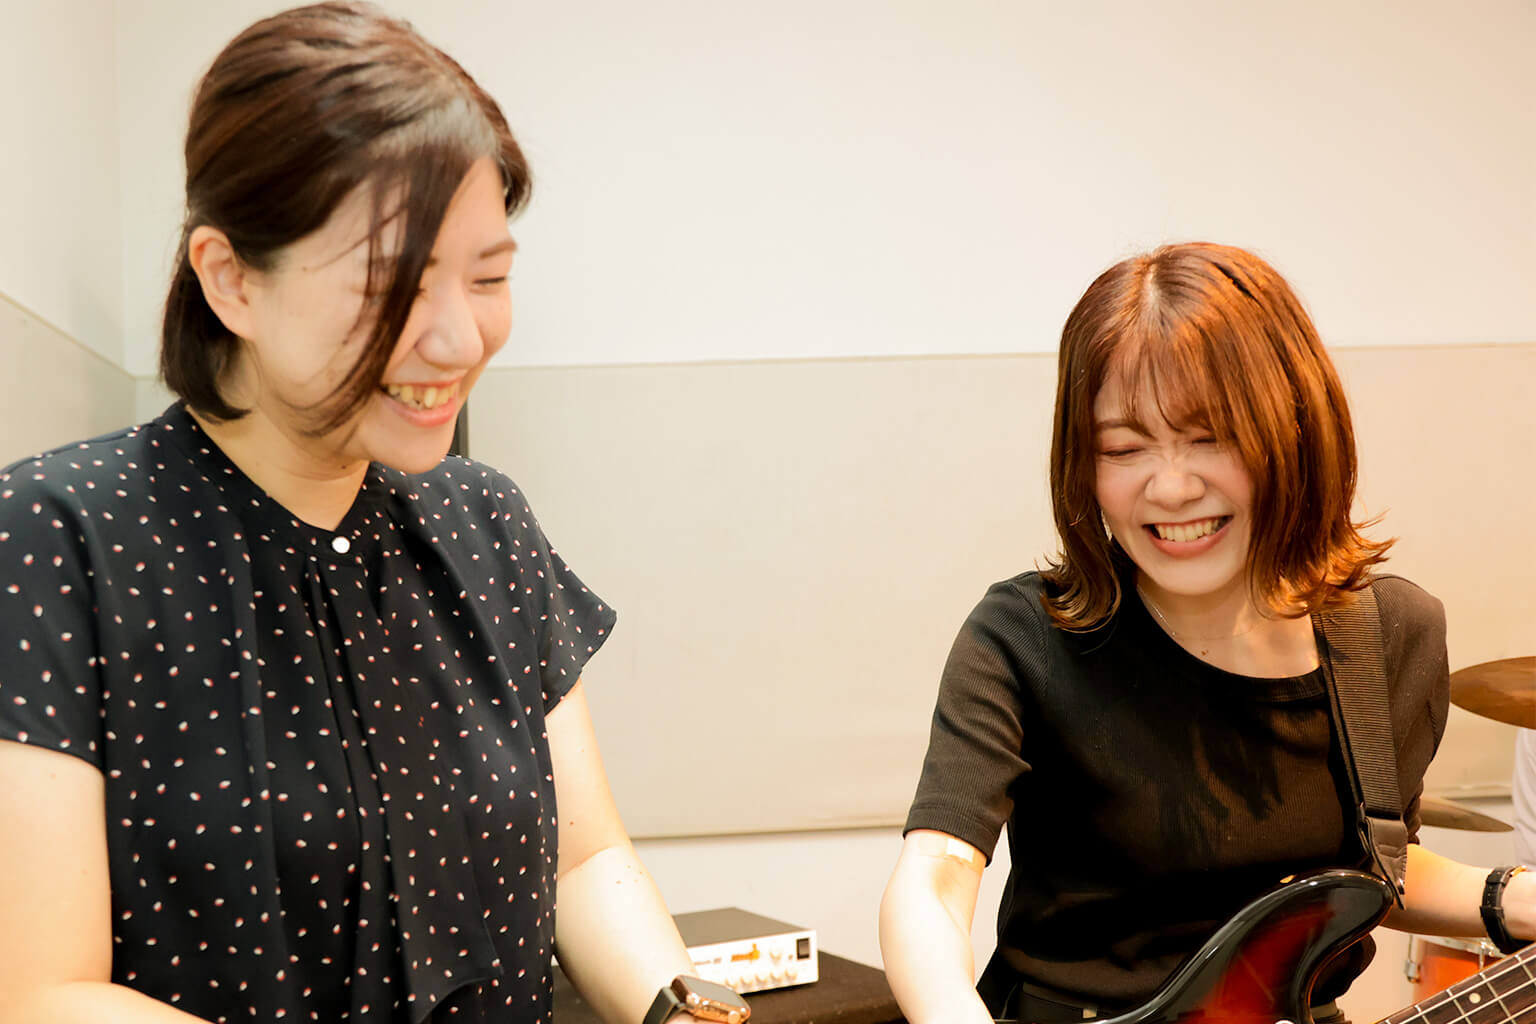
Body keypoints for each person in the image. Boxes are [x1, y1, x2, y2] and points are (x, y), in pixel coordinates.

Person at [0, 5, 736, 1022]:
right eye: (391, 284)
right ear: (230, 279)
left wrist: (683, 1008)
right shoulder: (57, 537)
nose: (457, 339)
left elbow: (584, 860)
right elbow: (43, 990)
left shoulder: (487, 524)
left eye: (489, 277)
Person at [878, 242, 1536, 1024]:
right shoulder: (1026, 638)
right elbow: (936, 876)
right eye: (1123, 449)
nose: (1171, 487)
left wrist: (1509, 899)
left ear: (1297, 429)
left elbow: (1374, 868)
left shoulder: (1394, 633)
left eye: (1210, 437)